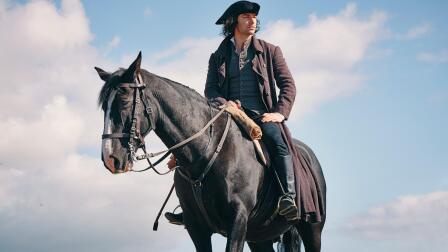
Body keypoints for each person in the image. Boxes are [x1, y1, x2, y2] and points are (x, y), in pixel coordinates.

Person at [165, 0, 299, 225]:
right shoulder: (218, 56)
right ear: (233, 21)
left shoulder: (270, 51)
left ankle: (288, 196)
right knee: (191, 145)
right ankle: (189, 207)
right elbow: (210, 90)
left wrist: (280, 113)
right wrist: (224, 103)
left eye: (254, 17)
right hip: (228, 114)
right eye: (246, 16)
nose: (252, 20)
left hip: (261, 115)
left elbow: (288, 85)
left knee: (277, 142)